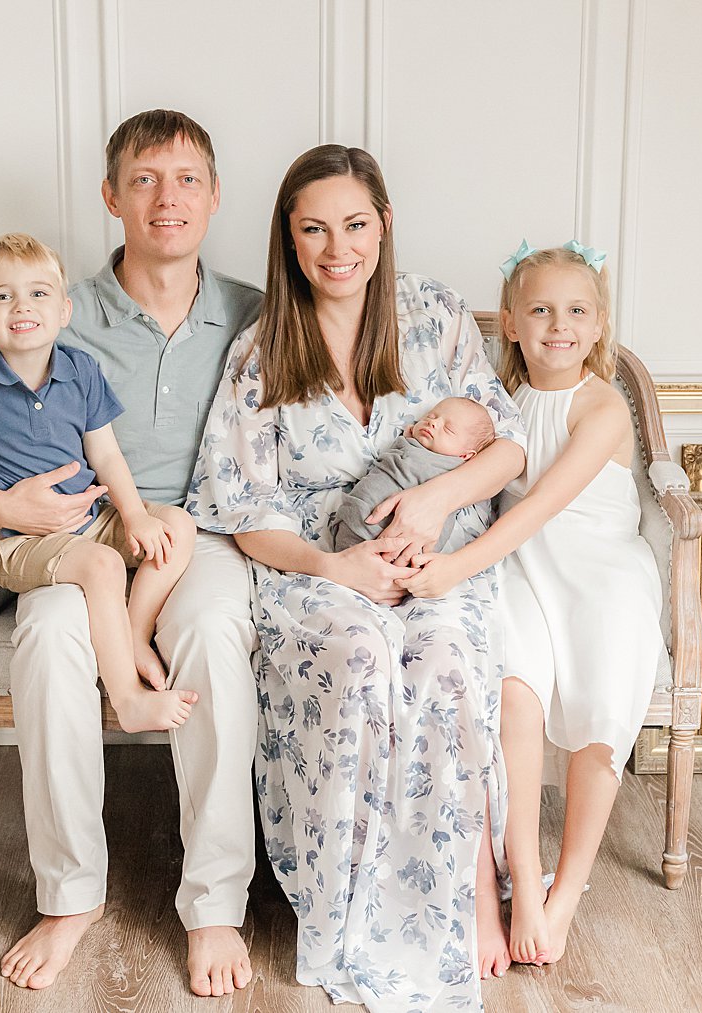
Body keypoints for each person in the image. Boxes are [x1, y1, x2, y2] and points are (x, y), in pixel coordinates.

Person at [0, 112, 264, 997]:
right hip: (73, 535)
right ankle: (70, 893)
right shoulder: (54, 311)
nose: (168, 197)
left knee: (220, 633)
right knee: (46, 637)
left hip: (204, 534)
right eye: (145, 179)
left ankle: (216, 901)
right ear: (112, 197)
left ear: (215, 195)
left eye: (187, 178)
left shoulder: (255, 314)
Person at [187, 144, 527, 1010]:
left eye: (355, 225)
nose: (337, 247)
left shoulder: (435, 314)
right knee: (359, 657)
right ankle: (346, 911)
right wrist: (334, 565)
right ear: (289, 241)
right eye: (313, 229)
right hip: (317, 564)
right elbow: (243, 508)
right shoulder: (264, 350)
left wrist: (434, 502)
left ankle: (462, 900)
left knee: (447, 657)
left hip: (439, 550)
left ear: (383, 227)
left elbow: (510, 441)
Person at [398, 241, 667, 966]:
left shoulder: (603, 406)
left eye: (577, 310)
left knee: (601, 720)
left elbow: (543, 503)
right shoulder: (500, 403)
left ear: (601, 322)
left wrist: (452, 568)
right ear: (511, 323)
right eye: (541, 309)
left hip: (600, 574)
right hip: (520, 568)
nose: (559, 325)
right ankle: (520, 864)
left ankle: (565, 893)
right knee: (514, 695)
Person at [0, 232, 198, 734]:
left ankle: (133, 633)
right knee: (101, 565)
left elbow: (104, 451)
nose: (22, 306)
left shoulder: (80, 370)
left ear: (64, 310)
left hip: (90, 520)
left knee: (177, 526)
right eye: (2, 296)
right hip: (19, 543)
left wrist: (136, 515)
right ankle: (126, 697)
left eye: (38, 293)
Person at [331, 396, 497, 553]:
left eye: (448, 429)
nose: (433, 423)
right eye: (430, 416)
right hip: (354, 520)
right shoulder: (409, 446)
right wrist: (407, 441)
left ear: (465, 455)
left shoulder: (453, 470)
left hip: (385, 538)